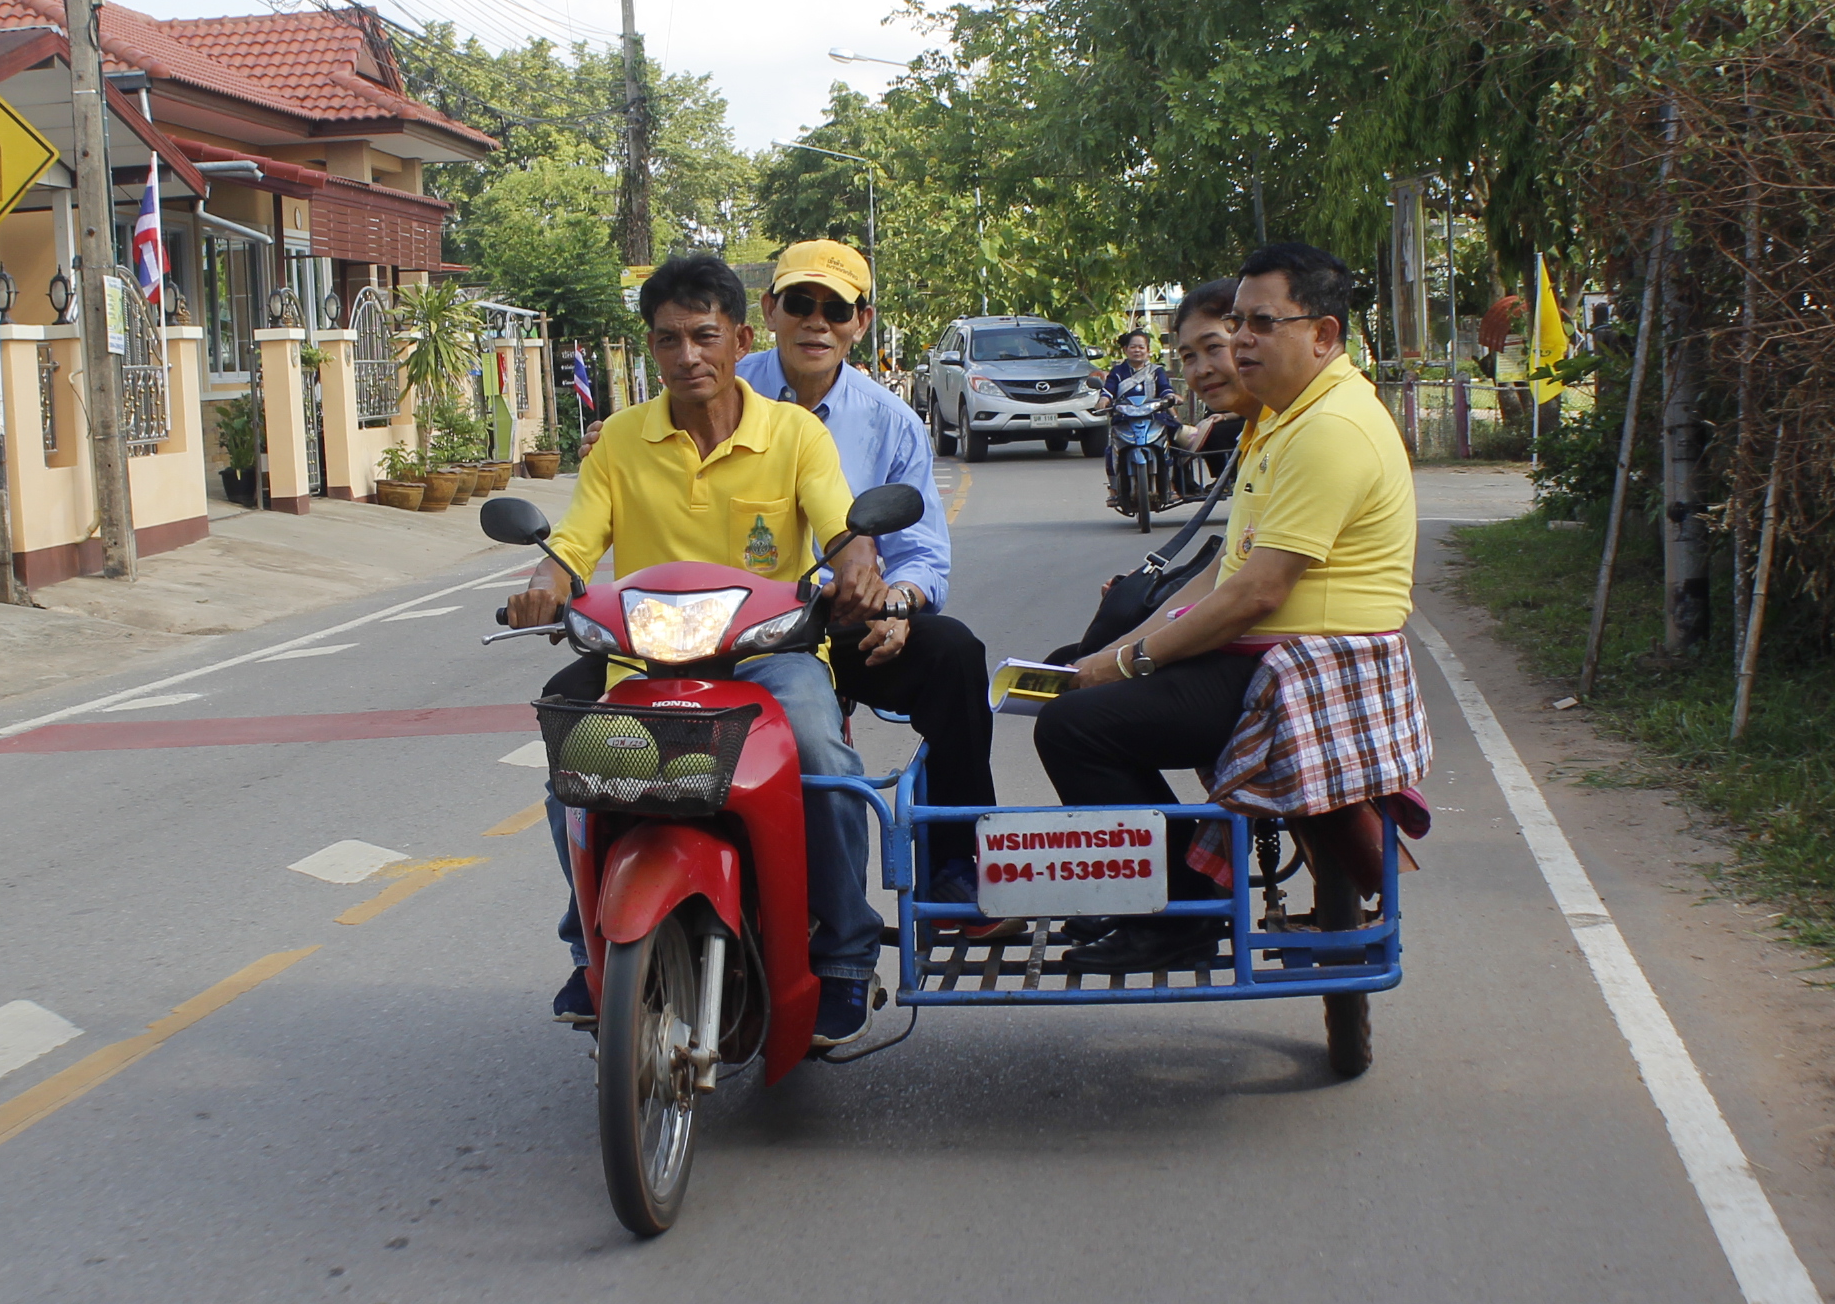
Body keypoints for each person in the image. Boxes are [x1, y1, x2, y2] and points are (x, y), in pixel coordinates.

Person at [508, 251, 892, 1047]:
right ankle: (589, 947)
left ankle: (848, 956)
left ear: (739, 336)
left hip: (769, 654)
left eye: (704, 336)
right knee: (567, 772)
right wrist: (544, 581)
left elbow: (840, 521)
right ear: (651, 347)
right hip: (645, 662)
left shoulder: (792, 433)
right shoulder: (620, 439)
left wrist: (858, 560)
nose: (687, 357)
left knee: (821, 756)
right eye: (668, 340)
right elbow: (575, 542)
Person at [1030, 242, 1427, 974]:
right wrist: (1109, 658)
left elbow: (1257, 592)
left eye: (1260, 324)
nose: (1241, 342)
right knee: (1065, 677)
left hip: (1303, 672)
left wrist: (1124, 663)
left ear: (1323, 334)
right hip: (1264, 654)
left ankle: (1181, 913)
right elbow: (1221, 576)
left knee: (1072, 728)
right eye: (1236, 322)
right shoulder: (1281, 419)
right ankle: (1163, 890)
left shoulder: (1328, 429)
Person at [737, 239, 1002, 914]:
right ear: (770, 311)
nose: (816, 322)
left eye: (836, 308)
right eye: (800, 303)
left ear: (862, 322)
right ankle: (592, 936)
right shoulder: (722, 392)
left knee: (954, 655)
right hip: (726, 620)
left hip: (839, 619)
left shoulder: (892, 423)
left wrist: (898, 603)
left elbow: (921, 556)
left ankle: (958, 866)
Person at [1166, 279, 1254, 492]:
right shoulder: (1261, 434)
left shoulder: (1311, 434)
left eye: (1213, 347)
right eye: (1188, 356)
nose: (1202, 370)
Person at [1095, 330, 1174, 510]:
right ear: (1125, 349)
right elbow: (1108, 390)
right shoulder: (1117, 372)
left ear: (1148, 350)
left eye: (1141, 347)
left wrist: (1171, 397)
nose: (1137, 350)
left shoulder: (1156, 371)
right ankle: (1114, 489)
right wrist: (1104, 400)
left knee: (1175, 443)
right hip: (1124, 420)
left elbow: (1165, 388)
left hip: (1154, 417)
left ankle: (1171, 484)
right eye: (1133, 347)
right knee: (1111, 451)